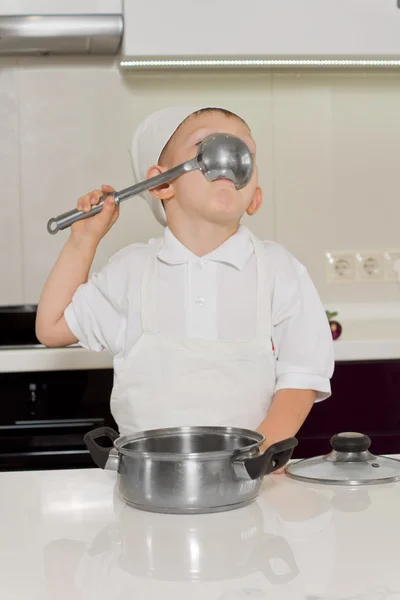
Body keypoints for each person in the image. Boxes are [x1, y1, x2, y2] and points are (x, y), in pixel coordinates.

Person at [36, 105, 334, 456]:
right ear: (161, 184)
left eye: (246, 153)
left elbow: (301, 378)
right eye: (208, 145)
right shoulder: (130, 270)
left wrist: (255, 459)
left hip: (252, 484)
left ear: (255, 198)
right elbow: (51, 328)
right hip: (146, 486)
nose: (232, 157)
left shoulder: (280, 270)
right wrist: (82, 240)